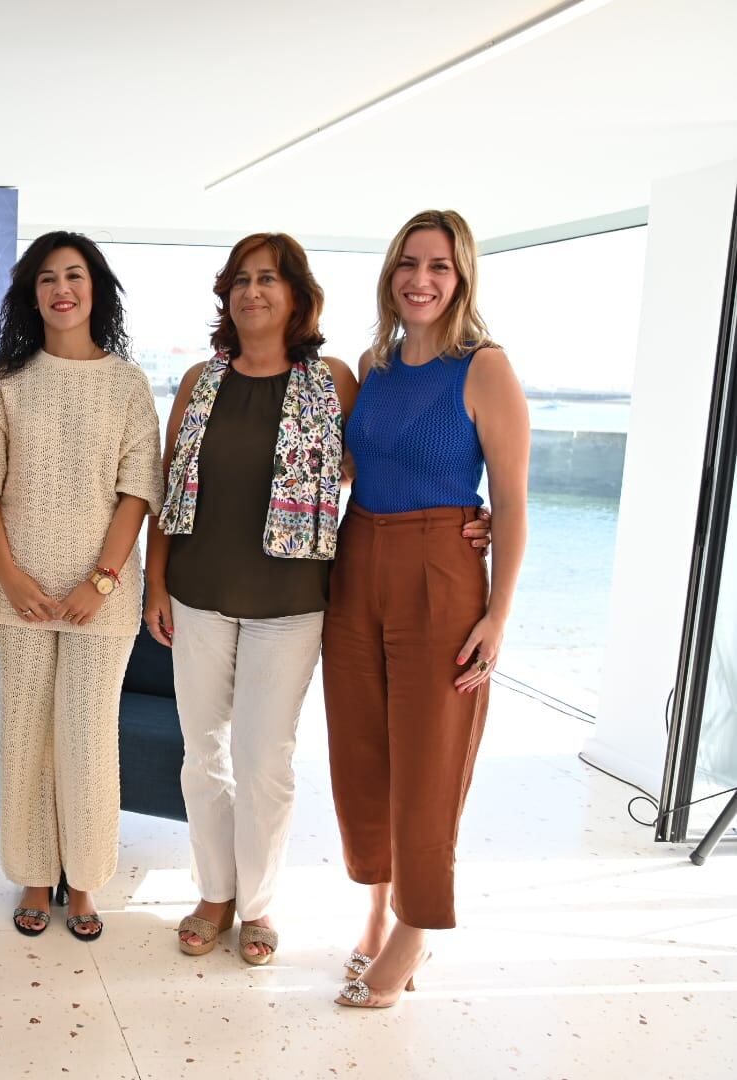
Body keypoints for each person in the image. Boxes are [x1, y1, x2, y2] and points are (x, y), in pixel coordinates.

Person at [323, 209, 529, 1009]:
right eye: (409, 263)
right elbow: (343, 465)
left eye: (440, 266)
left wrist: (498, 617)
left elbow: (509, 503)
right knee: (361, 753)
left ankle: (416, 932)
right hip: (357, 557)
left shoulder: (485, 368)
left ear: (462, 278)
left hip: (440, 573)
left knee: (430, 756)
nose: (422, 279)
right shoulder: (374, 365)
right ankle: (377, 907)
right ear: (390, 273)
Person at [143, 233, 356, 966]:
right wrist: (153, 586)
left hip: (292, 603)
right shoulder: (201, 379)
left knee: (265, 760)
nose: (252, 292)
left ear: (296, 294)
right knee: (203, 756)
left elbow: (372, 471)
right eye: (240, 280)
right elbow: (170, 489)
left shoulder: (333, 379)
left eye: (268, 279)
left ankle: (259, 905)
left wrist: (464, 516)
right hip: (198, 595)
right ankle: (215, 893)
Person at [0, 232, 162, 941]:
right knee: (26, 735)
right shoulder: (4, 386)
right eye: (47, 278)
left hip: (99, 599)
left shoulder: (126, 384)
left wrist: (103, 581)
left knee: (87, 737)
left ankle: (83, 881)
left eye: (74, 276)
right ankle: (32, 874)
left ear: (96, 289)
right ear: (31, 294)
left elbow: (138, 491)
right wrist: (13, 577)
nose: (61, 289)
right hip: (18, 595)